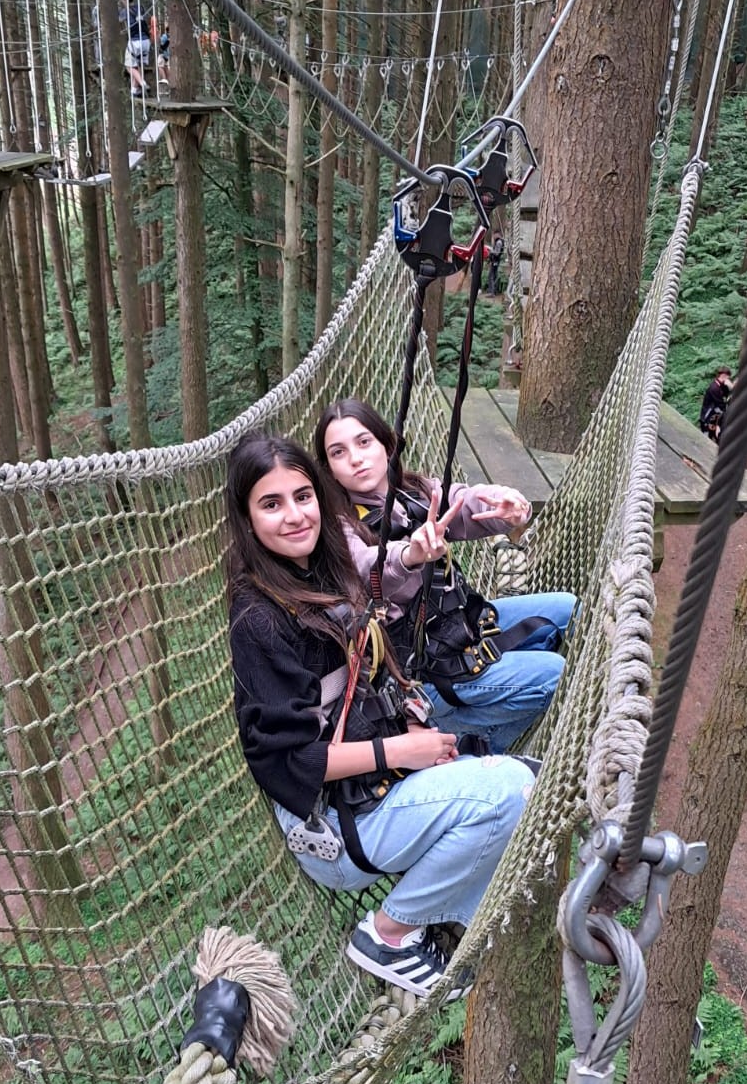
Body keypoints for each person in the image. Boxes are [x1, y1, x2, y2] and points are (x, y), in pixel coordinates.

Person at [226, 433, 534, 1000]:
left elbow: (377, 608)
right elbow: (288, 762)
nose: (295, 516)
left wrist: (410, 728)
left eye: (303, 496)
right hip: (334, 831)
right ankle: (389, 935)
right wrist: (400, 751)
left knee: (530, 778)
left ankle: (451, 915)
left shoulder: (324, 567)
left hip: (374, 786)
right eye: (272, 504)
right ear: (246, 519)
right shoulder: (258, 620)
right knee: (511, 790)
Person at [314, 397, 577, 755]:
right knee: (554, 674)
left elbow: (461, 502)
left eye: (364, 442)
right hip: (425, 672)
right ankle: (464, 742)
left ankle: (495, 722)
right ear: (328, 469)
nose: (356, 458)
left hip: (463, 626)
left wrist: (507, 505)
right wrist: (410, 555)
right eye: (338, 452)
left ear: (386, 445)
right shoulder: (339, 528)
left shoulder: (414, 493)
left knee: (570, 610)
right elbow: (369, 569)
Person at [121, 2, 151, 96]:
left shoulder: (125, 11)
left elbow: (118, 19)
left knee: (129, 66)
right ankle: (134, 90)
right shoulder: (140, 7)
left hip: (135, 42)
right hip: (146, 41)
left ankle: (142, 83)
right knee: (138, 65)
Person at [698, 366, 733, 443]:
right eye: (727, 377)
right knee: (706, 439)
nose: (728, 379)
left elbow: (726, 395)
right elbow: (721, 404)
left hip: (715, 416)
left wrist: (730, 387)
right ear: (724, 375)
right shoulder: (714, 388)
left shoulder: (722, 386)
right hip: (707, 417)